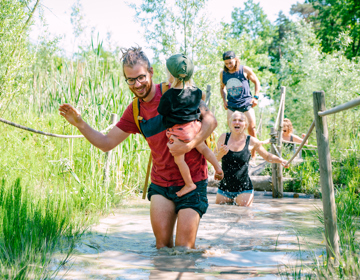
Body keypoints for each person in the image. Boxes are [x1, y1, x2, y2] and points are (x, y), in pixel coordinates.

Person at [58, 46, 217, 249]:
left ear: (151, 72)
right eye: (131, 80)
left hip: (192, 180)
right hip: (161, 184)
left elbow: (211, 122)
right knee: (162, 250)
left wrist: (189, 146)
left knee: (184, 250)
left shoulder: (175, 91)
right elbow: (106, 144)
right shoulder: (134, 110)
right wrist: (80, 123)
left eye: (141, 77)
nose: (137, 84)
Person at [158, 54, 223, 197]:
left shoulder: (168, 95)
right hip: (195, 127)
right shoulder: (197, 92)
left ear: (171, 74)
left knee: (179, 159)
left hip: (179, 131)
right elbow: (201, 101)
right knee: (203, 148)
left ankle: (189, 184)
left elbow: (161, 111)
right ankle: (217, 167)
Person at [215, 111, 288, 207]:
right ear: (230, 123)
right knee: (220, 215)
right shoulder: (223, 137)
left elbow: (267, 156)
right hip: (224, 189)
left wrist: (281, 160)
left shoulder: (252, 141)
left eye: (240, 120)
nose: (237, 122)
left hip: (244, 189)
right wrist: (220, 153)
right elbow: (213, 158)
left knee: (244, 215)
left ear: (245, 125)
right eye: (234, 120)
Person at [220, 50, 260, 160]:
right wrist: (224, 100)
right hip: (232, 105)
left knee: (251, 128)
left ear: (236, 60)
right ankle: (233, 156)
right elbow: (222, 88)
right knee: (233, 130)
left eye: (230, 63)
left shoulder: (244, 70)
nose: (229, 65)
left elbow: (256, 81)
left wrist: (256, 97)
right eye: (226, 63)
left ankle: (253, 156)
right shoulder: (223, 73)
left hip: (246, 103)